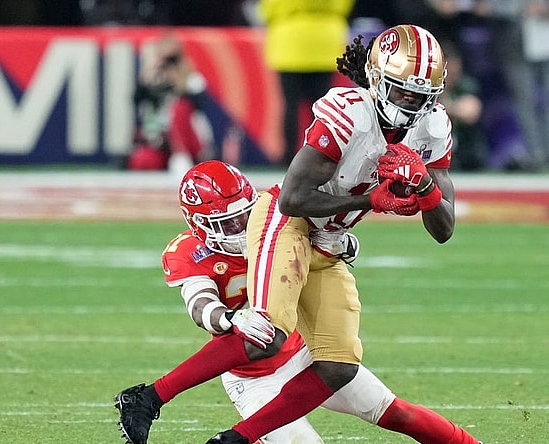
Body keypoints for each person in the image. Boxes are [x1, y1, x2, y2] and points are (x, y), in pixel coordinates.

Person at [204, 24, 462, 444]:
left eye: (421, 96)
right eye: (402, 92)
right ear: (377, 79)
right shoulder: (349, 113)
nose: (411, 103)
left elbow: (444, 228)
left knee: (339, 366)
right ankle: (153, 396)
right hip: (287, 223)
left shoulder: (431, 127)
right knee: (267, 334)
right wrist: (370, 200)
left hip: (329, 242)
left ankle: (235, 438)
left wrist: (425, 186)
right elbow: (292, 198)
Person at [114, 160, 481, 444]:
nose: (241, 228)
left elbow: (327, 240)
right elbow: (199, 303)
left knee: (395, 412)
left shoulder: (273, 223)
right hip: (253, 379)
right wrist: (228, 319)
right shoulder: (188, 252)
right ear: (198, 224)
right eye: (228, 223)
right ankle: (161, 401)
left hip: (304, 351)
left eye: (245, 216)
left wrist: (338, 244)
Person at [474, 0, 549, 171]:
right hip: (514, 36)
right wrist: (518, 9)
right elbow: (483, 7)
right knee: (524, 99)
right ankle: (537, 156)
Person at [256, 0, 355, 166]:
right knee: (323, 108)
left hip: (289, 41)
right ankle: (321, 154)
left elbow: (267, 9)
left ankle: (288, 157)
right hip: (325, 42)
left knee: (290, 105)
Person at [127, 34, 215, 177]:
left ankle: (181, 157)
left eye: (172, 59)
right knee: (143, 161)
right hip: (160, 140)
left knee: (179, 107)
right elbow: (137, 100)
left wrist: (179, 79)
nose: (168, 65)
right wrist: (149, 74)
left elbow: (200, 103)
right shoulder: (153, 77)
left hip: (188, 141)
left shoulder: (191, 77)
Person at [438, 41, 488, 170]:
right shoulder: (428, 87)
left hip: (466, 153)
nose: (452, 73)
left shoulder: (465, 84)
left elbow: (470, 113)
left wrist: (445, 106)